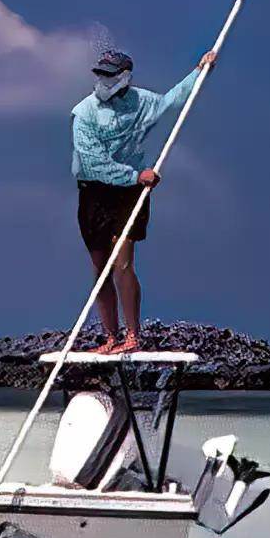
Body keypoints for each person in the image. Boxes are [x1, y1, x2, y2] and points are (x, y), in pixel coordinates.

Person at [71, 49, 217, 354]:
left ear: (124, 76)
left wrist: (199, 71)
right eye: (100, 74)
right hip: (95, 191)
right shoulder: (84, 113)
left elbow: (172, 102)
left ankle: (132, 336)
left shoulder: (142, 102)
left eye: (110, 74)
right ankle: (110, 338)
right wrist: (136, 175)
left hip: (129, 192)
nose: (103, 79)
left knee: (122, 262)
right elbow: (93, 162)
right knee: (100, 268)